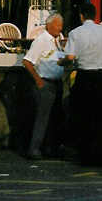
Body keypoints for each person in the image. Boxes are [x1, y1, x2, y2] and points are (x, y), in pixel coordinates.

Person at [64, 3, 102, 166]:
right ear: (94, 15)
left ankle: (86, 155)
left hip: (85, 76)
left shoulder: (75, 33)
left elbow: (71, 57)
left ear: (81, 15)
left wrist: (62, 61)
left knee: (84, 117)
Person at [21, 13, 66, 160]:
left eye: (61, 25)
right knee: (42, 118)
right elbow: (27, 62)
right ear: (49, 25)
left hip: (56, 82)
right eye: (57, 25)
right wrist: (38, 80)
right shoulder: (41, 41)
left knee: (54, 118)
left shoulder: (57, 40)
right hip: (45, 83)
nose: (60, 28)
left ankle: (49, 148)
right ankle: (34, 148)